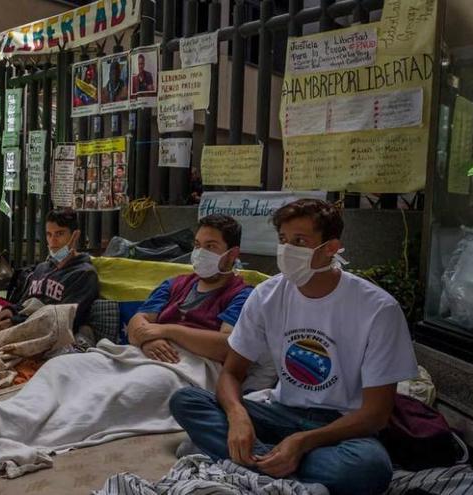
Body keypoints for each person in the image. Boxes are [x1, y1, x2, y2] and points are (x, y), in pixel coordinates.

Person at [169, 199, 418, 495]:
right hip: (279, 411)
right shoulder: (267, 295)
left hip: (339, 427)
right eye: (283, 240)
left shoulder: (377, 309)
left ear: (330, 248)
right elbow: (232, 374)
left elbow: (376, 414)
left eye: (299, 241)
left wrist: (303, 442)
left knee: (370, 469)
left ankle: (255, 458)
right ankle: (276, 462)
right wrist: (238, 418)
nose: (287, 250)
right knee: (185, 400)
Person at [127, 215, 251, 365]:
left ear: (232, 254)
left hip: (190, 365)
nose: (200, 253)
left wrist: (168, 331)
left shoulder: (242, 295)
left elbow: (226, 347)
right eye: (198, 245)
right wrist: (148, 343)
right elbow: (138, 321)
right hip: (147, 354)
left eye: (210, 246)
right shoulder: (173, 284)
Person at [0, 209, 99, 332]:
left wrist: (16, 323)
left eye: (59, 234)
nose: (52, 241)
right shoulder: (41, 268)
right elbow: (24, 303)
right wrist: (10, 310)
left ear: (75, 236)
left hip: (48, 331)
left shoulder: (84, 273)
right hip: (20, 321)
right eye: (49, 234)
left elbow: (63, 318)